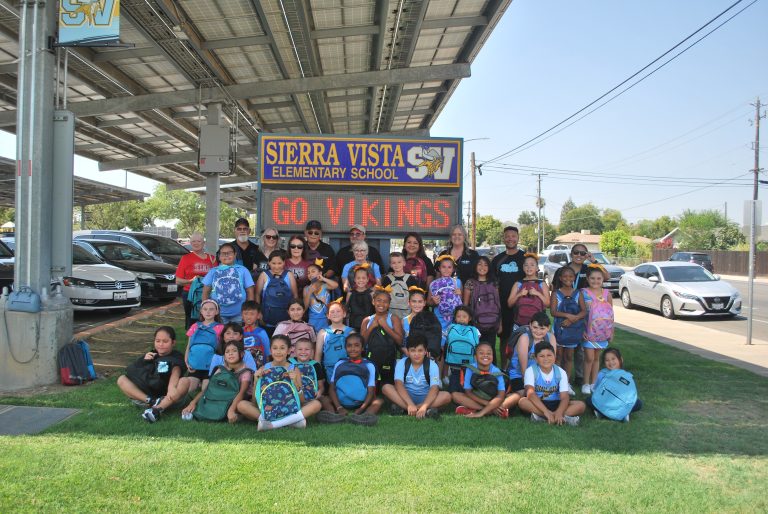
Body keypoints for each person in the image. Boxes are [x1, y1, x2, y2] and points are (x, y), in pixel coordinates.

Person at [236, 335, 322, 430]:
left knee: (316, 404)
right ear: (271, 350)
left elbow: (301, 401)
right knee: (241, 405)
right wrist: (256, 380)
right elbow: (255, 402)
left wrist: (296, 383)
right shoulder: (264, 369)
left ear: (289, 351)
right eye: (275, 348)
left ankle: (270, 424)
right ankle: (292, 422)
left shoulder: (294, 369)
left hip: (290, 409)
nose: (278, 352)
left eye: (282, 348)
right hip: (268, 409)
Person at [181, 339, 253, 424]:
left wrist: (231, 410)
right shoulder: (220, 369)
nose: (230, 353)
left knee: (240, 406)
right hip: (221, 398)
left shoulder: (245, 372)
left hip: (239, 400)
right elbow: (208, 388)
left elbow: (242, 393)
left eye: (234, 351)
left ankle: (236, 414)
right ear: (224, 356)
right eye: (227, 352)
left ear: (242, 354)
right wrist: (192, 403)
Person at [117, 326, 185, 417]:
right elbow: (131, 371)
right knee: (121, 379)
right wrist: (144, 361)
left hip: (168, 398)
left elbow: (176, 372)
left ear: (173, 342)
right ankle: (152, 402)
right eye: (158, 341)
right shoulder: (151, 355)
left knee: (185, 381)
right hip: (145, 398)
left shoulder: (176, 357)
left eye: (165, 341)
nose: (161, 344)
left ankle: (158, 407)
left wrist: (172, 388)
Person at [320, 333, 383, 426]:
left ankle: (365, 416)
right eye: (349, 346)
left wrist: (361, 409)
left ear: (362, 348)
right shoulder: (340, 363)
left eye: (356, 345)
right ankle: (333, 415)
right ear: (345, 348)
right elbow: (332, 388)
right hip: (340, 400)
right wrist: (339, 407)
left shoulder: (369, 365)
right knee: (323, 399)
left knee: (378, 401)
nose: (353, 349)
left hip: (360, 402)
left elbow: (371, 391)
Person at [382, 334, 451, 419]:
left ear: (425, 351)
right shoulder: (402, 363)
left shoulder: (432, 365)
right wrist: (410, 404)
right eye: (413, 351)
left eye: (420, 350)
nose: (416, 354)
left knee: (447, 396)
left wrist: (424, 406)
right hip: (406, 397)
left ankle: (412, 409)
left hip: (426, 398)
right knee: (386, 388)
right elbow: (398, 384)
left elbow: (434, 388)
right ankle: (415, 409)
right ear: (408, 352)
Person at [518, 341, 585, 426]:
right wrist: (546, 411)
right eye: (541, 356)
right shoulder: (531, 371)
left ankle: (548, 417)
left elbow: (564, 397)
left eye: (549, 355)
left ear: (554, 356)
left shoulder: (561, 372)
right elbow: (530, 394)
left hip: (556, 403)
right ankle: (557, 417)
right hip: (538, 403)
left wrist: (559, 412)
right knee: (522, 402)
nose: (546, 359)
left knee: (581, 405)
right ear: (536, 359)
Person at [504, 311, 557, 412]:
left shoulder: (550, 338)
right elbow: (524, 370)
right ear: (530, 325)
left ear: (548, 328)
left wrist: (547, 384)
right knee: (523, 393)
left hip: (539, 376)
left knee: (548, 395)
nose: (538, 331)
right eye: (535, 327)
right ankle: (501, 406)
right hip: (519, 375)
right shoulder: (525, 338)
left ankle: (540, 413)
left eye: (542, 328)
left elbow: (551, 363)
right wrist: (532, 388)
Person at [490, 226, 527, 360]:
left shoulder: (525, 258)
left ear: (518, 238)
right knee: (504, 339)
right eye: (507, 236)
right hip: (502, 305)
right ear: (504, 238)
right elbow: (492, 283)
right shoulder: (497, 260)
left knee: (522, 338)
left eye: (513, 236)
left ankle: (518, 369)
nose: (510, 239)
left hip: (522, 305)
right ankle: (505, 368)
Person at [550, 266, 586, 390]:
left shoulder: (578, 293)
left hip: (573, 330)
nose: (568, 278)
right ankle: (556, 381)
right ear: (560, 278)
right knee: (558, 355)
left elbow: (583, 311)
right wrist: (567, 315)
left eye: (570, 276)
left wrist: (572, 319)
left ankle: (567, 382)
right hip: (559, 330)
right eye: (565, 276)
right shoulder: (556, 293)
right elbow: (553, 312)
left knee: (569, 356)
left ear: (574, 278)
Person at [582, 264, 615, 395]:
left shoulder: (607, 294)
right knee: (588, 358)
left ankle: (593, 382)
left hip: (602, 332)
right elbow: (581, 312)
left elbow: (611, 313)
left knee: (596, 358)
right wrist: (582, 330)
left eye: (598, 278)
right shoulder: (583, 293)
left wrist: (612, 331)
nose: (595, 281)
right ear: (588, 279)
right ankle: (585, 382)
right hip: (588, 331)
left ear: (603, 279)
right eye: (592, 278)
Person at [452, 341, 508, 418]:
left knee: (515, 397)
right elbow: (468, 392)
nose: (485, 355)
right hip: (477, 399)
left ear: (492, 356)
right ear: (475, 357)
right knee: (455, 395)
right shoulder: (470, 368)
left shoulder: (497, 371)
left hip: (493, 399)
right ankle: (492, 411)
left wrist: (480, 413)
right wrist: (488, 404)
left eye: (489, 353)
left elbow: (500, 396)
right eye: (481, 353)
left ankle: (478, 412)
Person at [202, 242, 255, 323]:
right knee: (220, 334)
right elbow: (205, 292)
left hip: (239, 313)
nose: (226, 255)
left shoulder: (243, 270)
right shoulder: (213, 271)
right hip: (218, 313)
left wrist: (250, 310)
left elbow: (250, 291)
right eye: (223, 253)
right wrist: (205, 309)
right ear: (219, 256)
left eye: (229, 253)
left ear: (235, 254)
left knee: (237, 334)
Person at [361, 288, 403, 387]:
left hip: (388, 358)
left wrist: (385, 326)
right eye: (379, 300)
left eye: (385, 301)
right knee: (372, 384)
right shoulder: (367, 320)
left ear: (389, 304)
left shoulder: (393, 318)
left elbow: (400, 341)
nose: (382, 304)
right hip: (371, 358)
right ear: (373, 301)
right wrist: (371, 327)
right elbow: (362, 343)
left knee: (387, 385)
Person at [587, 348, 643, 421]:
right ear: (604, 362)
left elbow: (629, 393)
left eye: (613, 359)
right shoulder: (602, 374)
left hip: (618, 402)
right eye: (607, 360)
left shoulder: (626, 376)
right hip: (605, 401)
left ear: (620, 359)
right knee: (589, 400)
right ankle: (623, 414)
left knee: (638, 403)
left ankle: (603, 413)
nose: (610, 362)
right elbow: (596, 391)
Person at [182, 299, 224, 395]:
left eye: (211, 309)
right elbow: (189, 346)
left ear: (217, 312)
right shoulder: (195, 326)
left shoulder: (221, 328)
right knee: (190, 389)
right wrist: (186, 361)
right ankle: (197, 382)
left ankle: (203, 382)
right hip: (195, 365)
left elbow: (222, 349)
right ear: (201, 311)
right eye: (205, 309)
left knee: (206, 389)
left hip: (210, 366)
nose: (208, 312)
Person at [175, 232, 216, 329]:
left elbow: (216, 277)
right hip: (190, 294)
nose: (196, 243)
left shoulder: (212, 259)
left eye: (199, 241)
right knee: (192, 320)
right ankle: (191, 340)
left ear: (203, 243)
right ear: (190, 243)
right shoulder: (185, 258)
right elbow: (178, 280)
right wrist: (191, 281)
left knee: (208, 317)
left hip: (208, 293)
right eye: (193, 241)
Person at [463, 256, 501, 358]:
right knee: (475, 349)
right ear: (475, 266)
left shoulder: (494, 283)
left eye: (485, 264)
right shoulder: (470, 283)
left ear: (489, 267)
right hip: (475, 324)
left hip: (492, 324)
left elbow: (498, 303)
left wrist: (500, 323)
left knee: (490, 349)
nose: (482, 267)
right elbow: (465, 306)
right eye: (479, 264)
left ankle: (491, 373)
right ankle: (476, 373)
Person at [254, 249, 299, 336]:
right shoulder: (264, 275)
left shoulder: (289, 275)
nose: (276, 266)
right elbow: (257, 295)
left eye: (279, 263)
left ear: (284, 263)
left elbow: (295, 295)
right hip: (267, 318)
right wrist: (258, 313)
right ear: (269, 263)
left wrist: (294, 314)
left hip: (286, 318)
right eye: (273, 263)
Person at [507, 253, 550, 330]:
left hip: (538, 326)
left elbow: (547, 304)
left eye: (532, 265)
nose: (529, 267)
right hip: (519, 324)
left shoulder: (542, 284)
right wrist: (519, 294)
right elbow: (509, 304)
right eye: (526, 265)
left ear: (537, 268)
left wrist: (538, 294)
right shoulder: (518, 284)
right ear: (523, 267)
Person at [443, 306, 481, 393]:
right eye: (459, 316)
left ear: (470, 318)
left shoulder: (474, 330)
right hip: (458, 362)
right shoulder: (451, 328)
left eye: (464, 316)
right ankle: (457, 391)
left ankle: (458, 391)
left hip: (458, 360)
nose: (461, 319)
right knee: (455, 376)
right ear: (455, 318)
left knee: (464, 377)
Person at [315, 300, 353, 379]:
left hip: (348, 369)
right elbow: (318, 355)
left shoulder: (351, 332)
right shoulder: (322, 333)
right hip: (329, 371)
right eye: (332, 312)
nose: (335, 314)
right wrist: (318, 375)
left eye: (338, 311)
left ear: (344, 314)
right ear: (327, 316)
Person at [402, 286, 442, 360]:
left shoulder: (432, 320)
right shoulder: (403, 321)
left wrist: (431, 353)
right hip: (408, 359)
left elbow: (436, 341)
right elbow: (401, 343)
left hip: (427, 360)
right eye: (414, 301)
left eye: (420, 301)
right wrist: (408, 352)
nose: (417, 304)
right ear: (409, 303)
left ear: (424, 303)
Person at [428, 255, 463, 337]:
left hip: (454, 318)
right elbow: (428, 302)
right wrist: (433, 301)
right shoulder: (433, 284)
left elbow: (461, 301)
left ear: (453, 269)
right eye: (443, 267)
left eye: (449, 267)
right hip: (439, 318)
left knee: (452, 339)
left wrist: (459, 294)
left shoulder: (457, 282)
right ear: (439, 268)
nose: (446, 269)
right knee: (440, 340)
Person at [303, 259, 339, 333]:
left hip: (326, 320)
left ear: (320, 273)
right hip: (312, 320)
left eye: (313, 271)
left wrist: (323, 278)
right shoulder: (306, 289)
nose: (310, 274)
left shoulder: (325, 286)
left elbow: (336, 285)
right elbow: (305, 307)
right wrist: (309, 292)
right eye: (308, 272)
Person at [381, 251, 418, 320]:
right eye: (394, 263)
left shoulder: (411, 279)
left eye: (399, 262)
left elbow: (415, 297)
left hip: (407, 312)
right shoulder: (387, 279)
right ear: (390, 265)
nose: (396, 265)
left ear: (404, 263)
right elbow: (383, 295)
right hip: (390, 311)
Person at [290, 338, 327, 403]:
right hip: (293, 396)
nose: (303, 352)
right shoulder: (289, 363)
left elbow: (321, 386)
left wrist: (319, 392)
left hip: (312, 397)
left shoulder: (315, 365)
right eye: (300, 349)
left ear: (312, 351)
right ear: (295, 351)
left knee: (325, 401)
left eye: (307, 349)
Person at [240, 301, 270, 368]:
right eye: (246, 314)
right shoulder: (238, 331)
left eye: (252, 314)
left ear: (258, 316)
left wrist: (267, 366)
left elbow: (267, 352)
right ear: (241, 315)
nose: (248, 317)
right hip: (242, 367)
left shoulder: (261, 332)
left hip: (259, 367)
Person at [345, 266, 375, 332]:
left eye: (363, 278)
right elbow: (346, 309)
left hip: (368, 324)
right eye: (358, 278)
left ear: (367, 279)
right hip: (354, 323)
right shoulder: (350, 293)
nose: (361, 280)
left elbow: (375, 310)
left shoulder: (371, 293)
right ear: (354, 279)